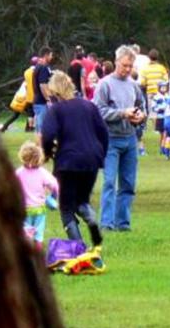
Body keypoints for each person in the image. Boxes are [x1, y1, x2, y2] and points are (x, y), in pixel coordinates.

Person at [39, 71, 107, 247]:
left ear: (55, 92)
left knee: (66, 207)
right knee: (82, 200)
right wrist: (100, 154)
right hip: (92, 160)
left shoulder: (56, 110)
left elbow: (47, 135)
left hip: (68, 161)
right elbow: (103, 132)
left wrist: (47, 153)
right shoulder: (89, 106)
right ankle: (91, 220)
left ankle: (78, 247)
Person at [93, 45, 147, 232]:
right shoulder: (105, 84)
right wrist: (122, 113)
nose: (127, 69)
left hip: (130, 139)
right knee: (109, 182)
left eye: (130, 66)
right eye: (124, 65)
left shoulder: (133, 85)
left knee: (128, 183)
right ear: (116, 62)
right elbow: (98, 111)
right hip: (110, 139)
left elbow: (142, 107)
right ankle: (106, 224)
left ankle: (122, 223)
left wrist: (140, 116)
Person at [15, 141, 59, 245]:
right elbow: (55, 185)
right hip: (39, 209)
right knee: (38, 233)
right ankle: (37, 248)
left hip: (25, 208)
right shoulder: (42, 172)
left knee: (25, 230)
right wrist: (54, 196)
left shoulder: (19, 173)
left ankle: (27, 242)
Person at [32, 47, 54, 136]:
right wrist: (48, 99)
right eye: (51, 55)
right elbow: (43, 85)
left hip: (37, 100)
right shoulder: (43, 67)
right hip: (41, 101)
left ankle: (38, 142)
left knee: (39, 125)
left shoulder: (37, 66)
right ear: (46, 55)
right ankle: (41, 142)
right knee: (42, 126)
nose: (52, 57)